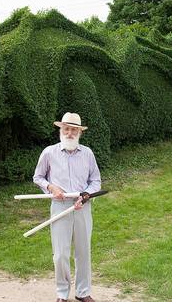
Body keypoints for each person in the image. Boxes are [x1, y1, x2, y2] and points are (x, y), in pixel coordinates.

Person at [33, 112, 101, 302]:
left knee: (83, 251)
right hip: (60, 206)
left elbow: (95, 181)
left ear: (80, 132)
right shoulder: (49, 152)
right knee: (61, 254)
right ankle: (62, 293)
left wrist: (86, 195)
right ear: (60, 130)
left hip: (82, 207)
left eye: (73, 130)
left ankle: (83, 292)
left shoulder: (87, 153)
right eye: (66, 129)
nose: (70, 133)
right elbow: (38, 177)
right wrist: (51, 187)